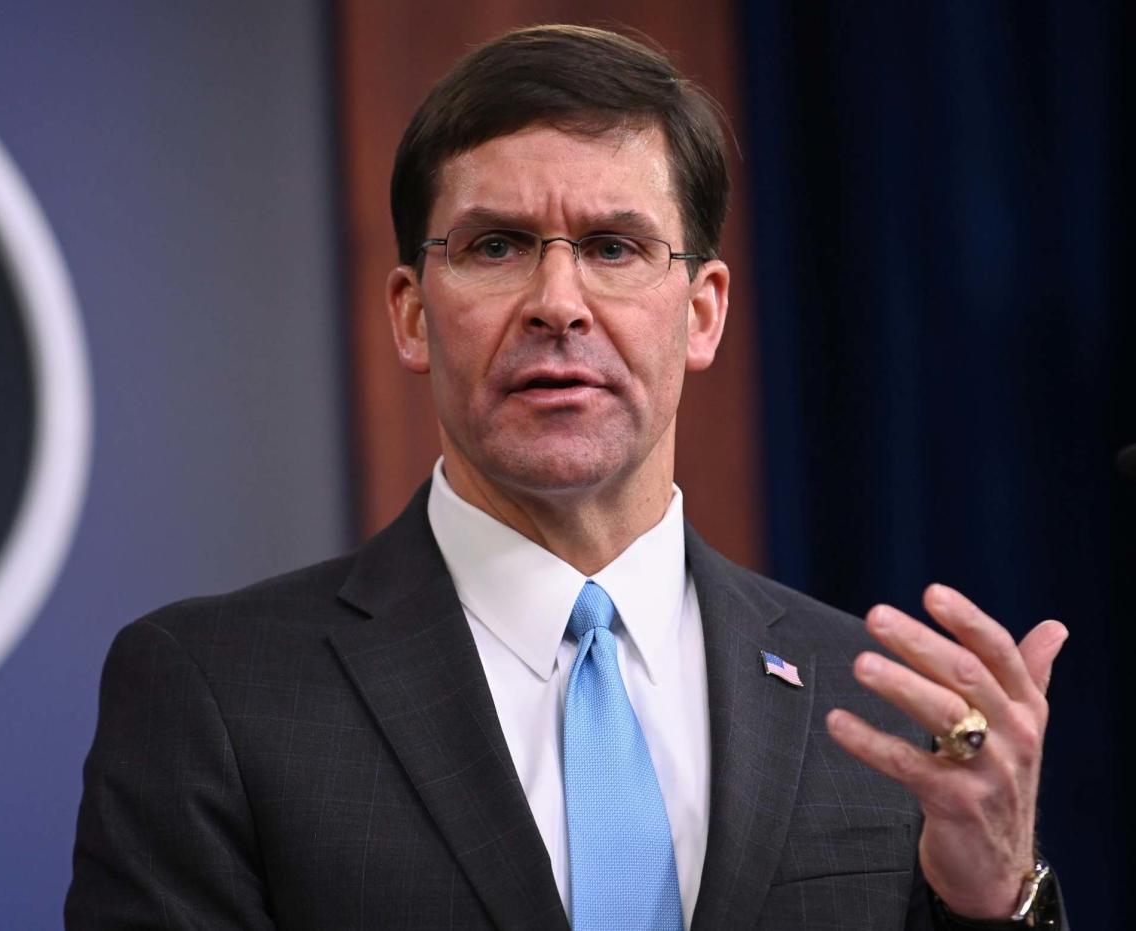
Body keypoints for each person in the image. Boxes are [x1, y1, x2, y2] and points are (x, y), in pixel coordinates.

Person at [66, 25, 1067, 930]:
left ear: (703, 311)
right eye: (495, 246)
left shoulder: (884, 712)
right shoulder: (216, 695)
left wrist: (1001, 903)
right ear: (413, 313)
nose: (558, 303)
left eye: (613, 247)